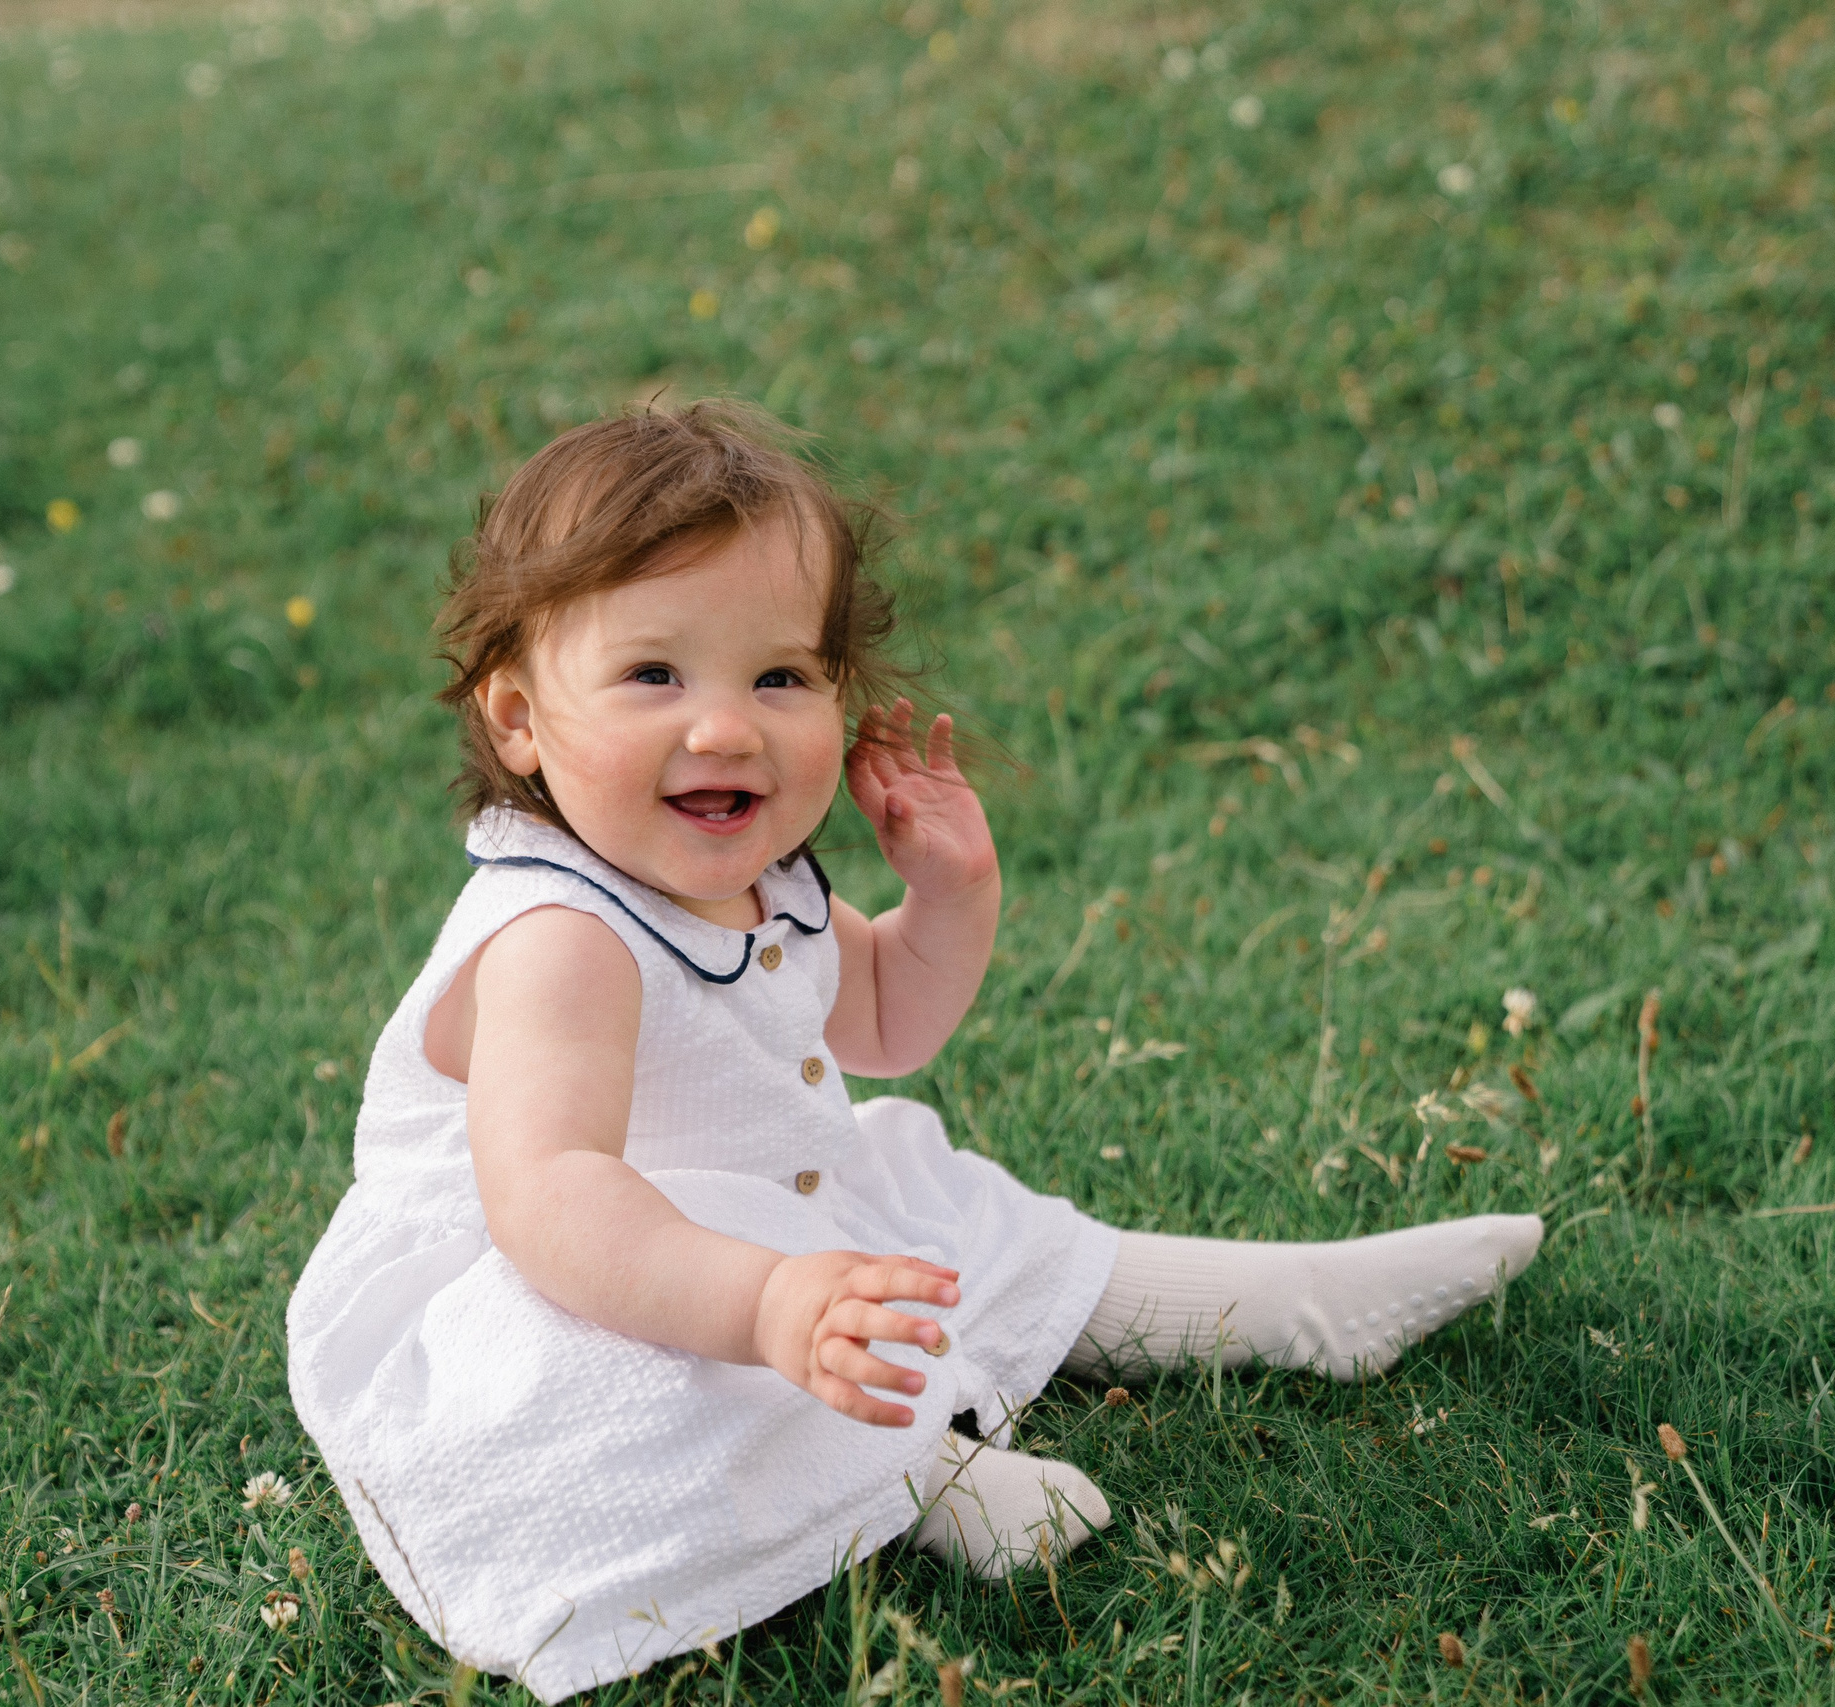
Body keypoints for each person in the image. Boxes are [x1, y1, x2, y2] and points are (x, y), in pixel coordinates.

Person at [285, 400, 1544, 1701]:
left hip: (749, 1221)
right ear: (518, 722)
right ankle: (933, 1475)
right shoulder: (560, 940)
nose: (725, 727)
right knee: (706, 1352)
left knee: (951, 1210)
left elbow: (881, 1022)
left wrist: (949, 900)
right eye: (654, 676)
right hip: (554, 1284)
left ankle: (1300, 1306)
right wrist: (764, 1303)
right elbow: (553, 1202)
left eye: (779, 677)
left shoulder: (751, 880)